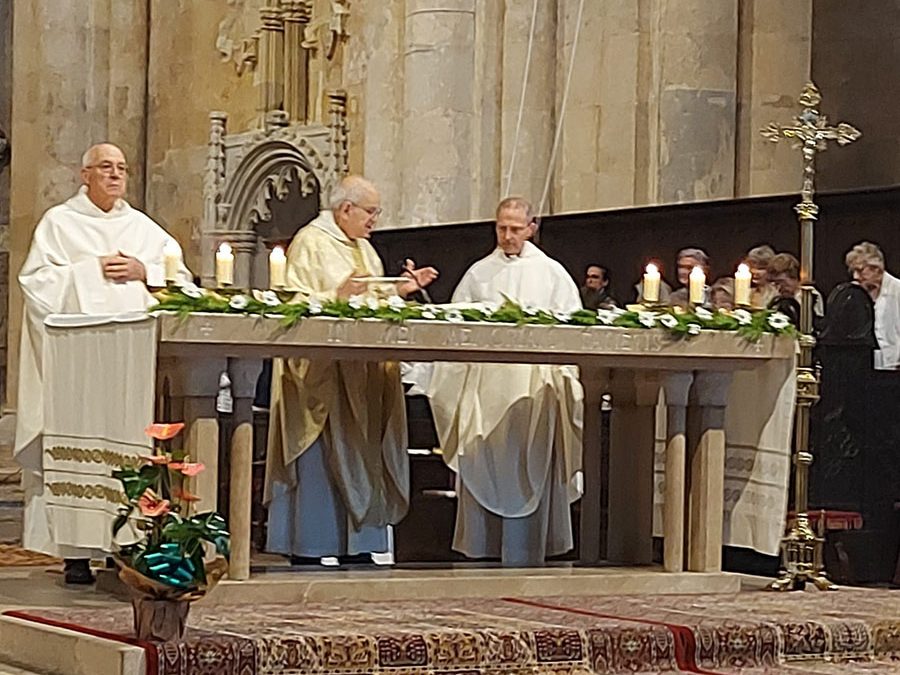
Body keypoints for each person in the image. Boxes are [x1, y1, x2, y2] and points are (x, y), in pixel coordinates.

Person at [15, 143, 192, 584]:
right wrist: (89, 271)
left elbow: (181, 280)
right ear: (85, 175)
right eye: (105, 168)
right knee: (77, 444)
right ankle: (74, 555)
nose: (115, 176)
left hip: (129, 366)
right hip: (78, 366)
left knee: (127, 448)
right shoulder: (59, 224)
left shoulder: (145, 230)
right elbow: (35, 284)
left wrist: (143, 272)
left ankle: (124, 548)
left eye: (121, 169)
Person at [264, 175, 438, 567]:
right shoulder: (311, 242)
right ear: (345, 209)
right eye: (371, 212)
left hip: (363, 374)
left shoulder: (365, 249)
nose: (375, 220)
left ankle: (359, 545)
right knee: (321, 463)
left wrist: (399, 291)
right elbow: (291, 302)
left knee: (365, 453)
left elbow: (370, 298)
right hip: (324, 377)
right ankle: (312, 544)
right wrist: (334, 297)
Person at [425, 197, 583, 566]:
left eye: (515, 228)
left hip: (533, 391)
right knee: (485, 459)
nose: (507, 236)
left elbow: (572, 331)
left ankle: (527, 547)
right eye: (501, 228)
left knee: (531, 462)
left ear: (532, 228)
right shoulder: (478, 273)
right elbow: (457, 329)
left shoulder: (552, 274)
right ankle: (483, 545)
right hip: (485, 390)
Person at [844, 241, 900, 370]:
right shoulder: (857, 292)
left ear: (876, 269)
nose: (855, 276)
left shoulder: (897, 290)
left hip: (895, 365)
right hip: (868, 365)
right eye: (853, 271)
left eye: (860, 270)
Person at [767, 252, 824, 327]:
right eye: (775, 283)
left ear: (794, 277)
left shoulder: (810, 295)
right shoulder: (776, 299)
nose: (779, 287)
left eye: (782, 282)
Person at [744, 244, 778, 309]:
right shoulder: (745, 293)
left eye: (760, 268)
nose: (755, 272)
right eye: (752, 267)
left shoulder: (777, 293)